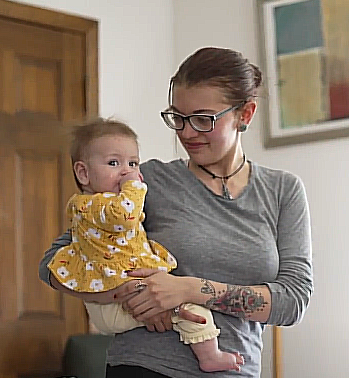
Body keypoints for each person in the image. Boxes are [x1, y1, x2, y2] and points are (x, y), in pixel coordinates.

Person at [39, 47, 313, 378]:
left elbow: (292, 302)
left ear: (245, 114)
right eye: (178, 118)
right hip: (143, 367)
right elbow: (54, 263)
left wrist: (188, 289)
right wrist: (118, 291)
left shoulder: (283, 191)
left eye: (203, 119)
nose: (186, 132)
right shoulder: (145, 181)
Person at [46, 120, 244, 373]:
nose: (126, 172)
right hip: (110, 304)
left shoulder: (107, 203)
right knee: (191, 310)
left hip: (119, 297)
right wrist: (135, 186)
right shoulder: (91, 205)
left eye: (133, 163)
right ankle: (210, 355)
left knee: (182, 306)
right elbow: (124, 217)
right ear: (83, 173)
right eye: (113, 163)